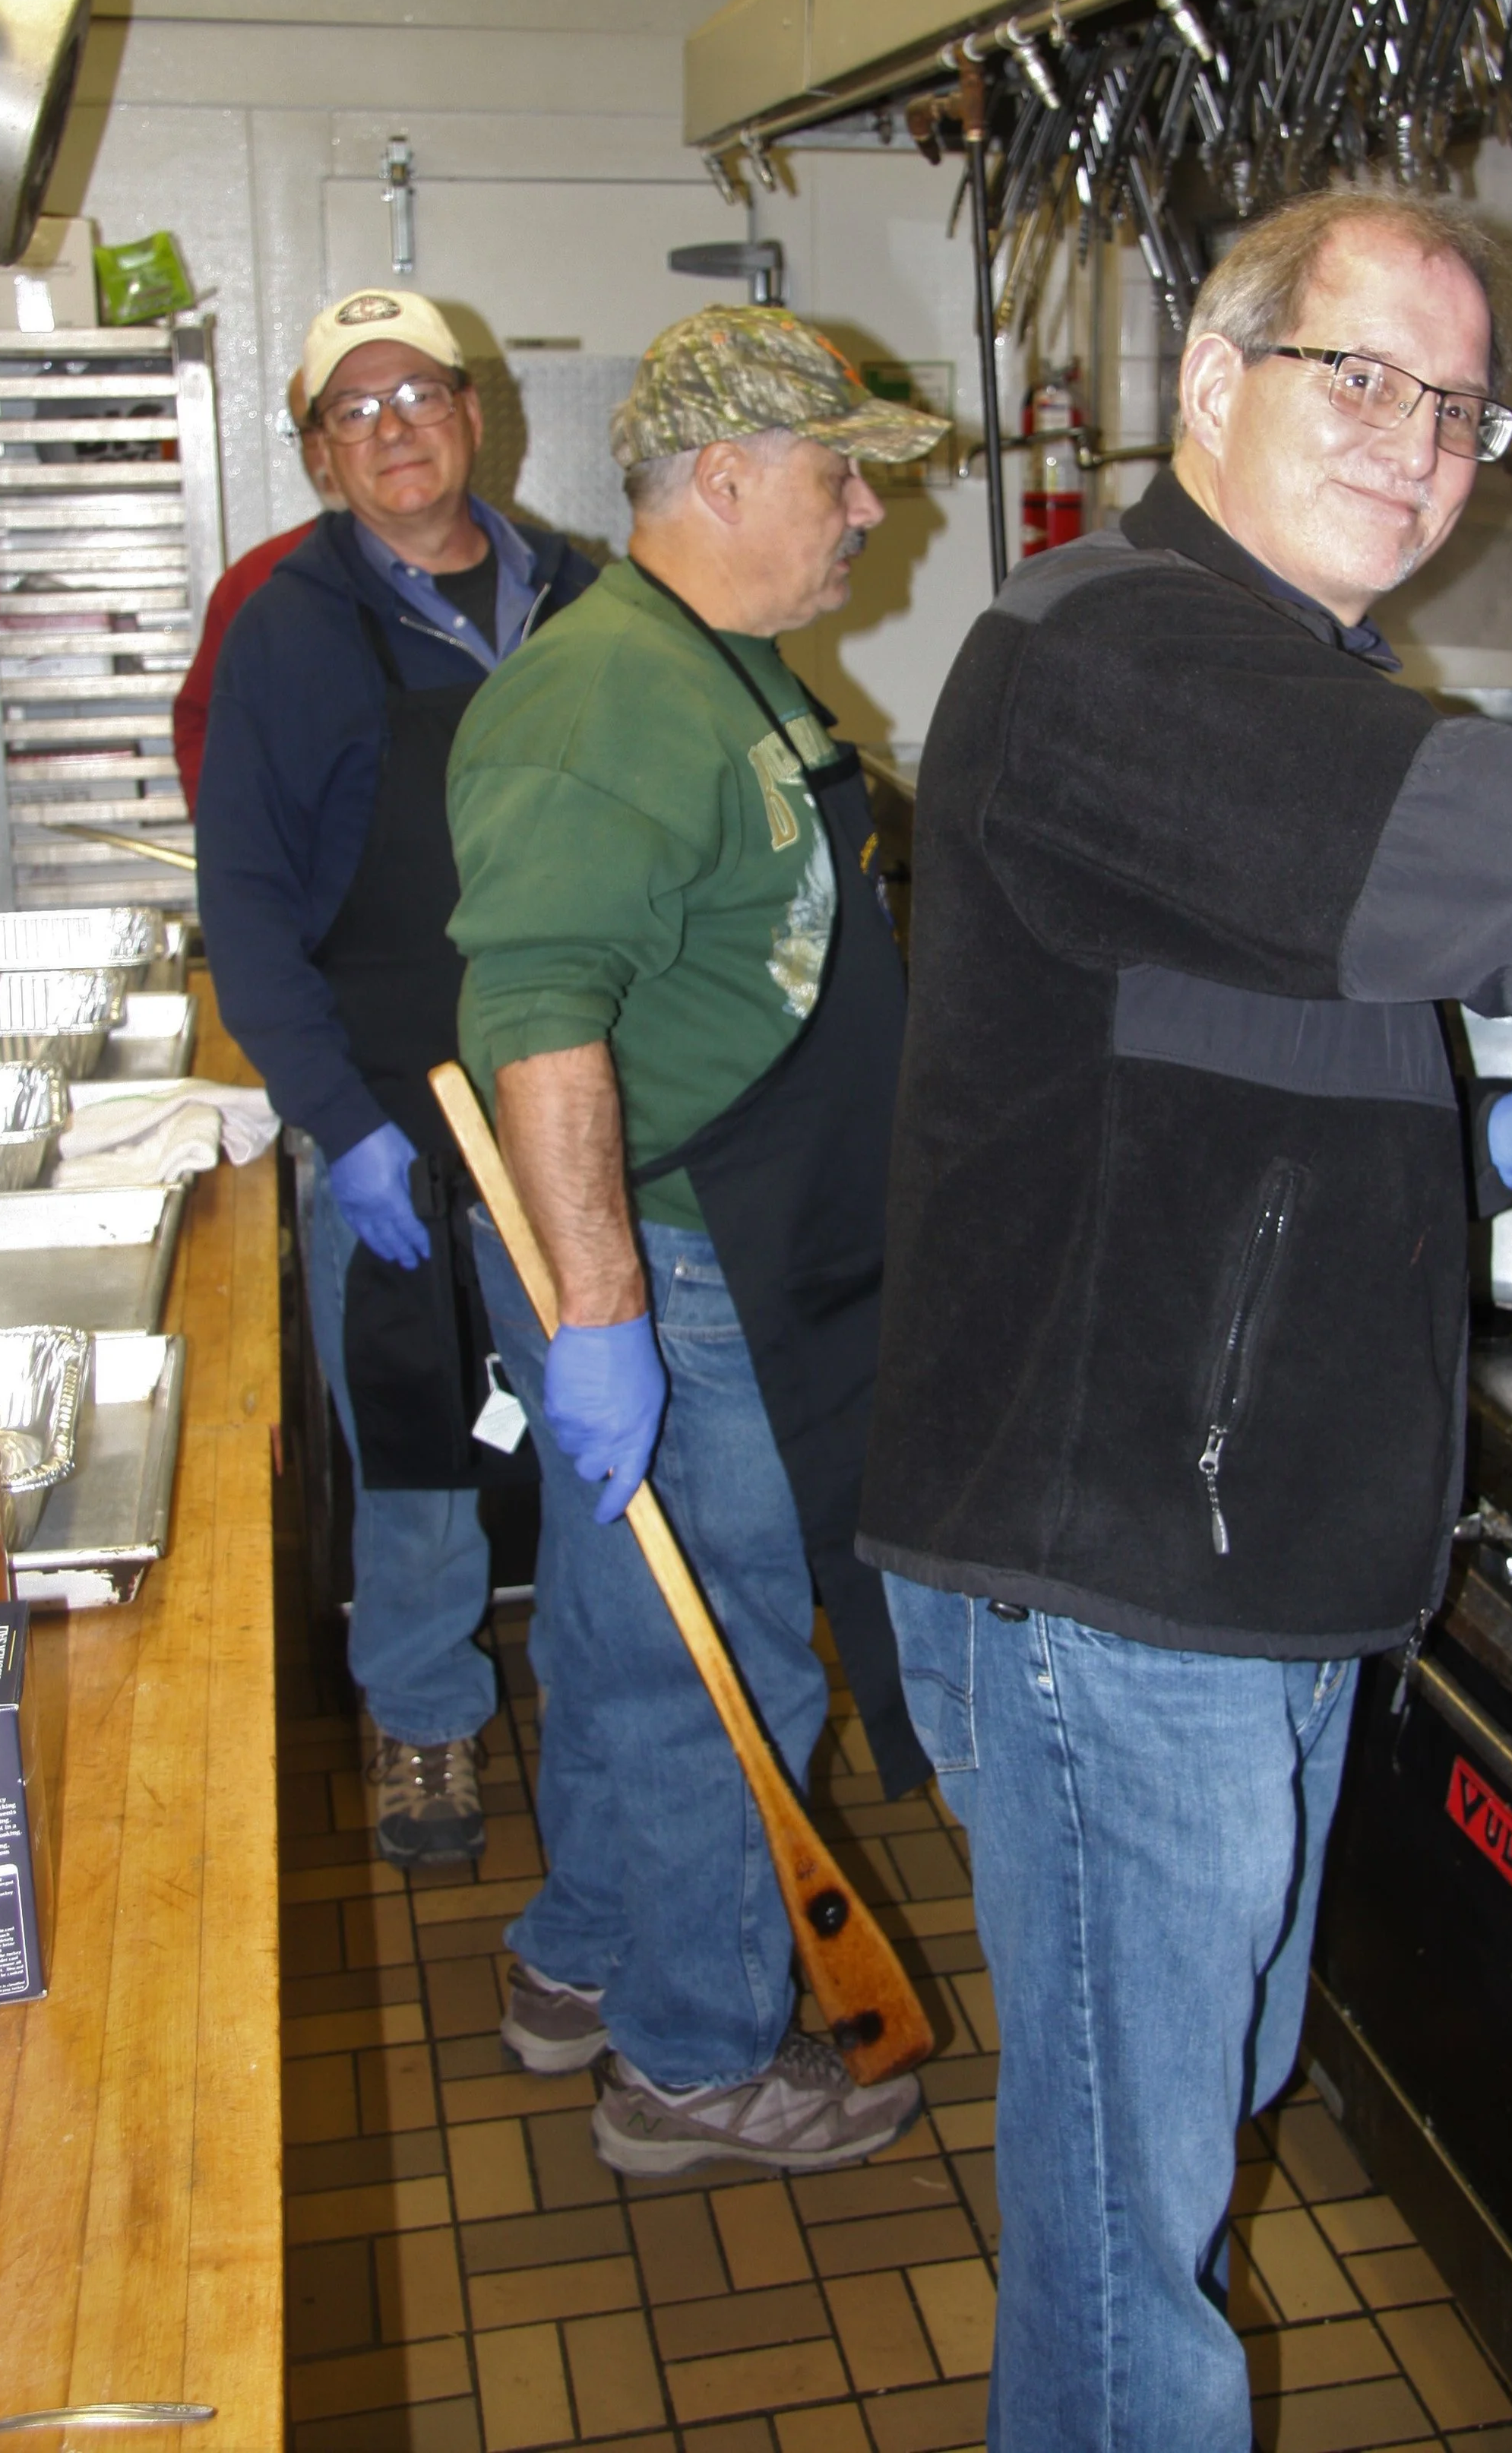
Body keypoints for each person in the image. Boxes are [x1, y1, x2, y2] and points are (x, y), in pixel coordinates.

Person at [856, 186, 1512, 2453]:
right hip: (1110, 1580)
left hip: (1225, 1563)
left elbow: (1205, 1073)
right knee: (1137, 2255)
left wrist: (1463, 1149)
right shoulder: (1129, 657)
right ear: (1212, 382)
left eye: (1462, 407)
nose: (1421, 444)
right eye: (1363, 379)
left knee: (1167, 2152)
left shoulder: (1279, 669)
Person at [445, 303, 944, 2169]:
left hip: (710, 1229)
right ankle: (694, 2056)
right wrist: (601, 1307)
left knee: (615, 1617)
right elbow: (539, 1011)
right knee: (724, 1654)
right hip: (672, 1248)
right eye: (840, 478)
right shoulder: (608, 695)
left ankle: (579, 1956)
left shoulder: (721, 658)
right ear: (724, 477)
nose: (866, 518)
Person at [198, 287, 595, 1866]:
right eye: (351, 411)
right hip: (388, 1112)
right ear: (313, 454)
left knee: (587, 1426)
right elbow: (243, 905)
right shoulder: (288, 627)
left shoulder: (578, 595)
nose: (392, 429)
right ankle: (425, 1717)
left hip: (570, 1104)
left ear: (471, 412)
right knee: (421, 1434)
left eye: (414, 394)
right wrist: (336, 1123)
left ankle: (594, 1684)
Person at [172, 369, 346, 812]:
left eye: (350, 417)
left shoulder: (515, 578)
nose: (328, 450)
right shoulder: (258, 582)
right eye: (311, 431)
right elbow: (202, 726)